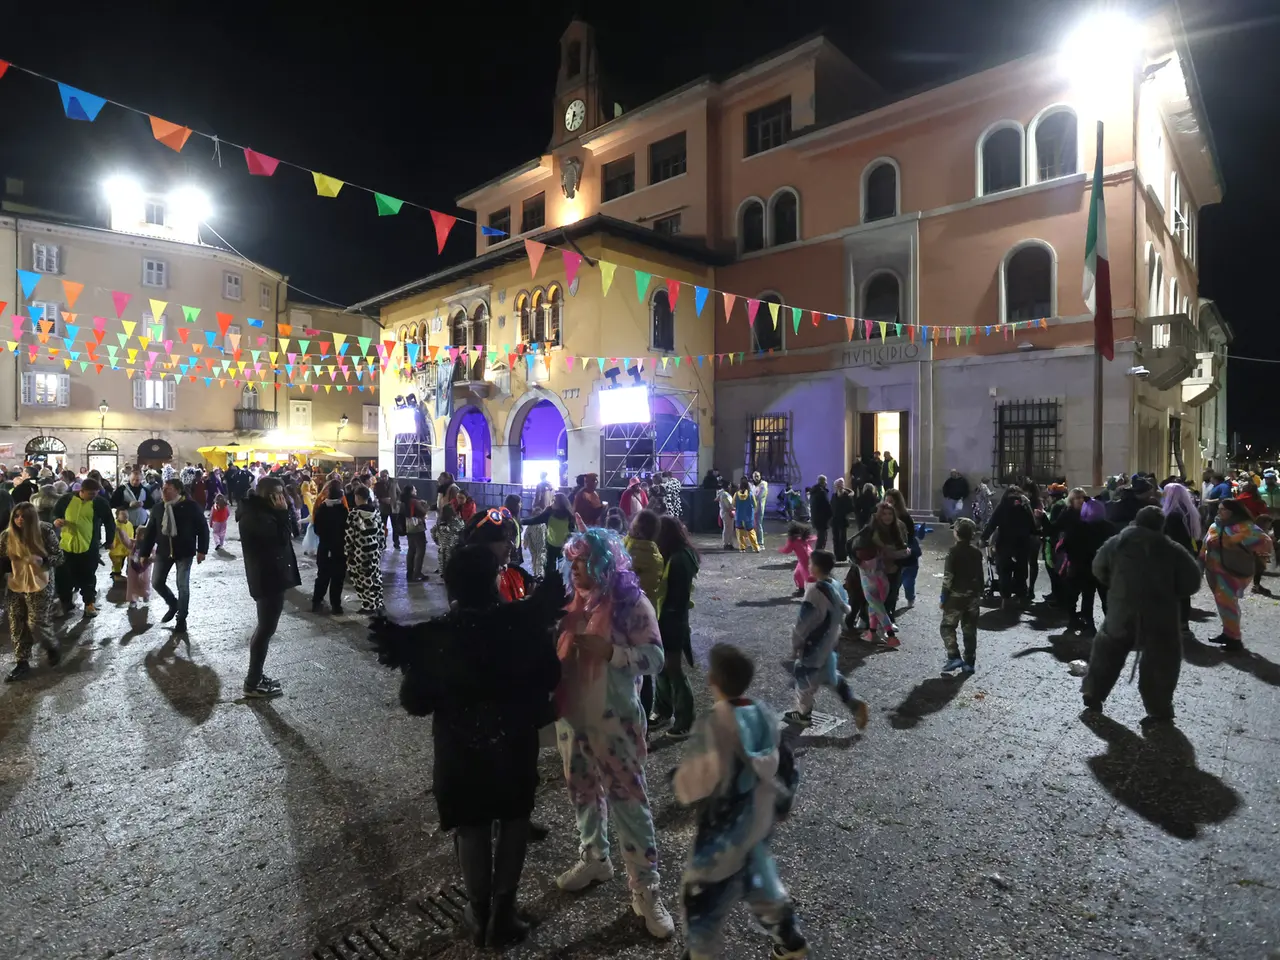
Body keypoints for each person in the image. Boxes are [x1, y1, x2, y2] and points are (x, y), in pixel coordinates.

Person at [372, 546, 564, 948]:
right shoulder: (522, 623)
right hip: (513, 744)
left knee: (472, 825)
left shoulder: (436, 636)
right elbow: (550, 674)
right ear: (493, 580)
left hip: (460, 748)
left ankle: (479, 915)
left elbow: (414, 701)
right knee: (513, 821)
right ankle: (504, 914)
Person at [552, 528, 674, 939]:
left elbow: (656, 658)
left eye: (581, 561)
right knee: (582, 790)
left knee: (630, 803)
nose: (574, 568)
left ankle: (646, 890)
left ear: (603, 563)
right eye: (571, 561)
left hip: (615, 723)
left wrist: (613, 653)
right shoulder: (574, 602)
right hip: (573, 720)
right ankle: (595, 857)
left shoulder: (631, 604)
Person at [673, 644, 809, 960]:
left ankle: (699, 954)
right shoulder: (763, 713)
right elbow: (787, 764)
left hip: (724, 835)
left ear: (714, 681)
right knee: (759, 880)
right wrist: (784, 801)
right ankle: (791, 942)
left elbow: (695, 782)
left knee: (702, 899)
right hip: (759, 821)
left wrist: (679, 781)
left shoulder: (714, 724)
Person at [1081, 506, 1202, 724]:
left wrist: (1117, 586)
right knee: (1161, 661)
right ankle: (1159, 709)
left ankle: (1093, 692)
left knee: (1106, 652)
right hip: (1160, 616)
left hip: (1121, 610)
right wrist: (1171, 593)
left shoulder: (1116, 544)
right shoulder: (1172, 549)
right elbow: (1192, 581)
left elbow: (1098, 568)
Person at [782, 549, 870, 728]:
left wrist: (795, 645)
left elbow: (803, 623)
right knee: (830, 676)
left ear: (816, 567)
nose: (808, 566)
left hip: (814, 643)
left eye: (810, 563)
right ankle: (853, 703)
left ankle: (803, 714)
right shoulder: (836, 585)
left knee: (803, 678)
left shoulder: (814, 591)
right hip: (831, 642)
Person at [237, 477, 301, 698]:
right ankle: (252, 683)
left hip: (270, 576)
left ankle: (256, 677)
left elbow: (292, 533)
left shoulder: (259, 512)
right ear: (270, 496)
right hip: (268, 578)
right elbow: (282, 539)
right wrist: (283, 513)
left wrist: (284, 512)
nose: (283, 498)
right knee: (265, 629)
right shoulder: (257, 517)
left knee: (265, 629)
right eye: (279, 495)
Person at [2, 502, 63, 682]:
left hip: (40, 582)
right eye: (17, 516)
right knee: (17, 623)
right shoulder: (6, 536)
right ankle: (22, 662)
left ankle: (51, 646)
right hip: (16, 583)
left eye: (24, 516)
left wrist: (43, 559)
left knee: (36, 622)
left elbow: (59, 557)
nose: (20, 519)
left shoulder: (44, 531)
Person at [1201, 499, 1273, 652]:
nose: (1219, 512)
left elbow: (1264, 541)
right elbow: (1205, 545)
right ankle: (1228, 633)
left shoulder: (1244, 526)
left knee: (1227, 602)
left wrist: (1233, 541)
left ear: (1234, 512)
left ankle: (1234, 639)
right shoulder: (1215, 525)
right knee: (1225, 603)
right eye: (1219, 509)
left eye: (1224, 510)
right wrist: (1200, 562)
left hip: (1233, 570)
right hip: (1214, 571)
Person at [652, 515, 699, 741]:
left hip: (672, 621)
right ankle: (662, 710)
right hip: (665, 618)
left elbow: (676, 599)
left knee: (673, 669)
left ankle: (685, 720)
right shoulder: (676, 553)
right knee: (661, 667)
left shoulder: (680, 559)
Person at [143, 478, 210, 633]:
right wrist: (144, 552)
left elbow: (203, 528)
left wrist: (202, 550)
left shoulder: (191, 507)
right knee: (157, 582)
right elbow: (150, 531)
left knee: (183, 586)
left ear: (178, 490)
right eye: (163, 489)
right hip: (164, 551)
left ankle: (181, 618)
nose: (164, 491)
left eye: (168, 488)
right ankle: (173, 604)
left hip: (185, 552)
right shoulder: (158, 508)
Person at [850, 501, 909, 647]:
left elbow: (904, 547)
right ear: (878, 515)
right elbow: (850, 545)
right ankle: (889, 635)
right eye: (884, 514)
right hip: (869, 574)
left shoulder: (897, 528)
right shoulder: (870, 529)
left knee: (877, 604)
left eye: (890, 514)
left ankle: (873, 632)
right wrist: (859, 561)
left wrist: (902, 553)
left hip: (887, 573)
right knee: (876, 604)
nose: (887, 517)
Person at [53, 476, 114, 618]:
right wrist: (56, 520)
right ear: (82, 491)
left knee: (88, 576)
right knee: (63, 577)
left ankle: (89, 604)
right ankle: (65, 603)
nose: (94, 496)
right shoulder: (66, 500)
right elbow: (55, 514)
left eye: (96, 493)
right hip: (66, 546)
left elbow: (109, 521)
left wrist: (110, 540)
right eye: (91, 493)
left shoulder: (99, 503)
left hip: (89, 546)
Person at [1061, 497, 1115, 635]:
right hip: (1105, 568)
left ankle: (1089, 626)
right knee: (1106, 598)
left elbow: (1067, 545)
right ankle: (1110, 626)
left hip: (1084, 568)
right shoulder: (1110, 527)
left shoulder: (1078, 528)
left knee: (1087, 597)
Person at [939, 518, 984, 674]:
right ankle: (969, 662)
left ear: (956, 533)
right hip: (973, 597)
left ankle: (953, 656)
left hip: (956, 597)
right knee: (970, 629)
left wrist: (943, 597)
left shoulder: (953, 552)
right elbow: (980, 575)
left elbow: (948, 577)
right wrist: (980, 592)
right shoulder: (977, 552)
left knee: (947, 627)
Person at [982, 486, 1036, 607]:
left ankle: (1005, 599)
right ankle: (1021, 597)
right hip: (1022, 545)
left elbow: (992, 524)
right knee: (1021, 572)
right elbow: (1033, 526)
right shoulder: (1024, 506)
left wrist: (983, 538)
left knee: (1004, 572)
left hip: (1004, 545)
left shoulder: (1002, 506)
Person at [345, 485, 385, 615]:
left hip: (359, 552)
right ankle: (378, 601)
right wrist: (380, 547)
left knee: (362, 578)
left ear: (358, 497)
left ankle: (368, 605)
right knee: (375, 575)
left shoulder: (354, 514)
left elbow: (350, 535)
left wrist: (347, 551)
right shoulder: (376, 512)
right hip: (374, 551)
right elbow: (381, 532)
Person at [311, 480, 349, 614]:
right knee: (338, 578)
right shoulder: (343, 510)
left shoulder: (322, 509)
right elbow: (347, 530)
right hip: (339, 549)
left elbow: (317, 529)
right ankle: (336, 605)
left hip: (325, 548)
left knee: (322, 576)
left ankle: (316, 602)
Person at [884, 489, 920, 612]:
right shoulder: (881, 516)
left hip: (907, 556)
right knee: (893, 583)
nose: (888, 504)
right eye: (886, 501)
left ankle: (910, 597)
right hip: (892, 557)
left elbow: (910, 536)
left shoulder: (904, 517)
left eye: (891, 501)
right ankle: (892, 604)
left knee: (908, 581)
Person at [522, 493, 575, 577]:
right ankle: (549, 585)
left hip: (564, 547)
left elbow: (572, 531)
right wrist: (520, 521)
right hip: (551, 545)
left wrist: (568, 541)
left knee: (564, 569)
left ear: (561, 504)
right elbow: (535, 520)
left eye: (554, 501)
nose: (552, 503)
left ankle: (562, 586)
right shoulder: (549, 513)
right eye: (552, 500)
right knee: (549, 569)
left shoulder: (569, 516)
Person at [401, 484, 431, 582]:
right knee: (421, 549)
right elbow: (423, 512)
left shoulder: (403, 500)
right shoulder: (414, 501)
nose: (416, 491)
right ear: (411, 491)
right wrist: (425, 506)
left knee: (411, 549)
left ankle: (409, 572)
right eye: (414, 489)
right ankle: (417, 573)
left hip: (408, 527)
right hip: (417, 528)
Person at [525, 481, 555, 574]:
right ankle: (539, 574)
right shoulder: (550, 486)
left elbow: (527, 534)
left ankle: (537, 573)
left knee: (536, 558)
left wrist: (526, 542)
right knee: (540, 558)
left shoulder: (540, 486)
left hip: (534, 545)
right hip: (541, 545)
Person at [780, 521, 816, 597]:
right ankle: (802, 590)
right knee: (798, 575)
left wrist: (780, 550)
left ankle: (813, 592)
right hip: (809, 557)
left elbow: (787, 550)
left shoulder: (792, 540)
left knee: (807, 577)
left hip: (804, 561)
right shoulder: (804, 537)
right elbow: (814, 538)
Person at [432, 502, 465, 578]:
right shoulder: (456, 521)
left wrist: (437, 541)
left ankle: (443, 574)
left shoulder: (439, 521)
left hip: (442, 546)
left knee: (442, 561)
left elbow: (433, 531)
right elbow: (462, 528)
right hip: (452, 546)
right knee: (451, 562)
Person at [373, 470, 401, 551]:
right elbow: (376, 495)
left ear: (388, 475)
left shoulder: (394, 482)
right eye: (382, 476)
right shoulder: (377, 485)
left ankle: (396, 543)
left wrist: (396, 501)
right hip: (383, 508)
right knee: (383, 527)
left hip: (394, 507)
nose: (383, 478)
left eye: (385, 476)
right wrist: (382, 500)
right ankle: (383, 543)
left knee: (395, 527)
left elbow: (399, 493)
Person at [829, 479, 855, 563]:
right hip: (835, 520)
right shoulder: (834, 495)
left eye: (841, 485)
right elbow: (831, 506)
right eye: (838, 485)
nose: (839, 487)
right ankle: (837, 555)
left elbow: (850, 508)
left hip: (843, 520)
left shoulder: (847, 496)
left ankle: (843, 556)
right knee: (835, 538)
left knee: (843, 538)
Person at [733, 479, 760, 552]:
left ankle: (742, 548)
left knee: (740, 532)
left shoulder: (736, 494)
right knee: (751, 532)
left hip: (739, 516)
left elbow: (733, 504)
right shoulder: (751, 494)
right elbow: (755, 504)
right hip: (749, 516)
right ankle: (756, 548)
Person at [807, 475, 832, 551]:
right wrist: (831, 515)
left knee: (820, 535)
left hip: (816, 517)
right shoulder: (822, 492)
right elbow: (827, 506)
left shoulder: (814, 492)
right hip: (822, 518)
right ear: (824, 482)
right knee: (822, 537)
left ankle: (818, 552)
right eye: (826, 481)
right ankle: (819, 553)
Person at [109, 507, 133, 579]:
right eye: (123, 514)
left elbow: (131, 535)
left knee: (130, 567)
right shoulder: (114, 525)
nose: (126, 516)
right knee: (117, 568)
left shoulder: (129, 524)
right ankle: (115, 577)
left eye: (126, 514)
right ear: (117, 515)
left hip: (128, 550)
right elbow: (112, 538)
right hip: (117, 551)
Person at [749, 471, 768, 546]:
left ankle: (760, 543)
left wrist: (751, 498)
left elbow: (759, 496)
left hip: (759, 507)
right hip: (753, 508)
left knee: (758, 524)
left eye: (757, 476)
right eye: (755, 476)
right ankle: (754, 541)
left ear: (760, 476)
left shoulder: (763, 485)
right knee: (753, 525)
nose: (756, 478)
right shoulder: (753, 486)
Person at [716, 479, 736, 551]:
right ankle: (726, 543)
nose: (730, 487)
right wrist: (736, 508)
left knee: (728, 529)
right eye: (729, 486)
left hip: (725, 512)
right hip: (727, 513)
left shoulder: (722, 493)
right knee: (728, 529)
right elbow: (729, 506)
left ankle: (728, 543)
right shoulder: (725, 494)